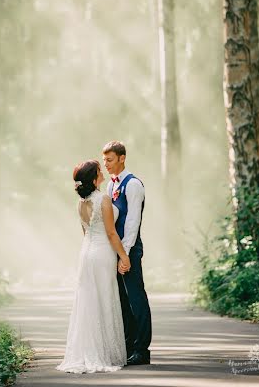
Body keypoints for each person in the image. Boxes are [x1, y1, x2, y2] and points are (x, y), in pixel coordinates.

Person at [56, 159, 130, 373]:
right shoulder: (103, 200)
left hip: (86, 253)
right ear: (94, 177)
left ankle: (88, 350)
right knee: (104, 298)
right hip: (102, 253)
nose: (102, 170)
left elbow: (86, 232)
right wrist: (123, 257)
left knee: (89, 301)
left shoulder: (80, 203)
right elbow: (110, 233)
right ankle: (103, 353)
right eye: (99, 169)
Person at [103, 140, 152, 366]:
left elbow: (132, 222)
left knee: (136, 299)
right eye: (104, 160)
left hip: (129, 250)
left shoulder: (133, 185)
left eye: (110, 160)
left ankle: (142, 349)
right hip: (115, 251)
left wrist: (126, 254)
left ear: (122, 158)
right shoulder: (111, 186)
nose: (106, 164)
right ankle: (129, 345)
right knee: (121, 300)